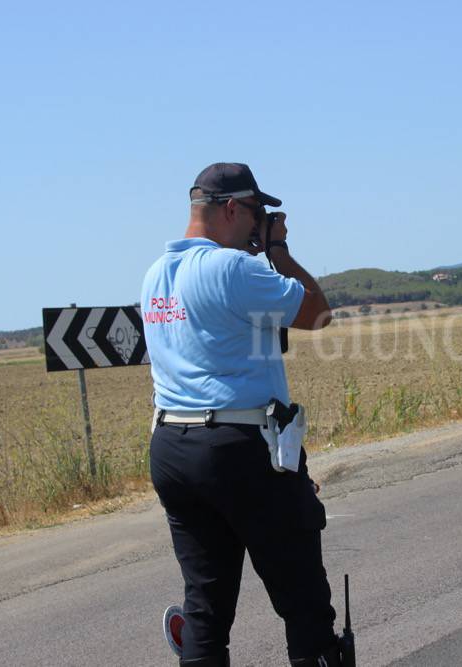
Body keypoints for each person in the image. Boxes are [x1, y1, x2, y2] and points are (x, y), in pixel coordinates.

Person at [142, 162, 340, 666]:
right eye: (257, 213)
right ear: (233, 208)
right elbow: (317, 312)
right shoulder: (234, 269)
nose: (259, 224)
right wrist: (279, 250)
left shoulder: (155, 275)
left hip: (172, 447)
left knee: (205, 612)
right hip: (237, 446)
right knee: (304, 603)